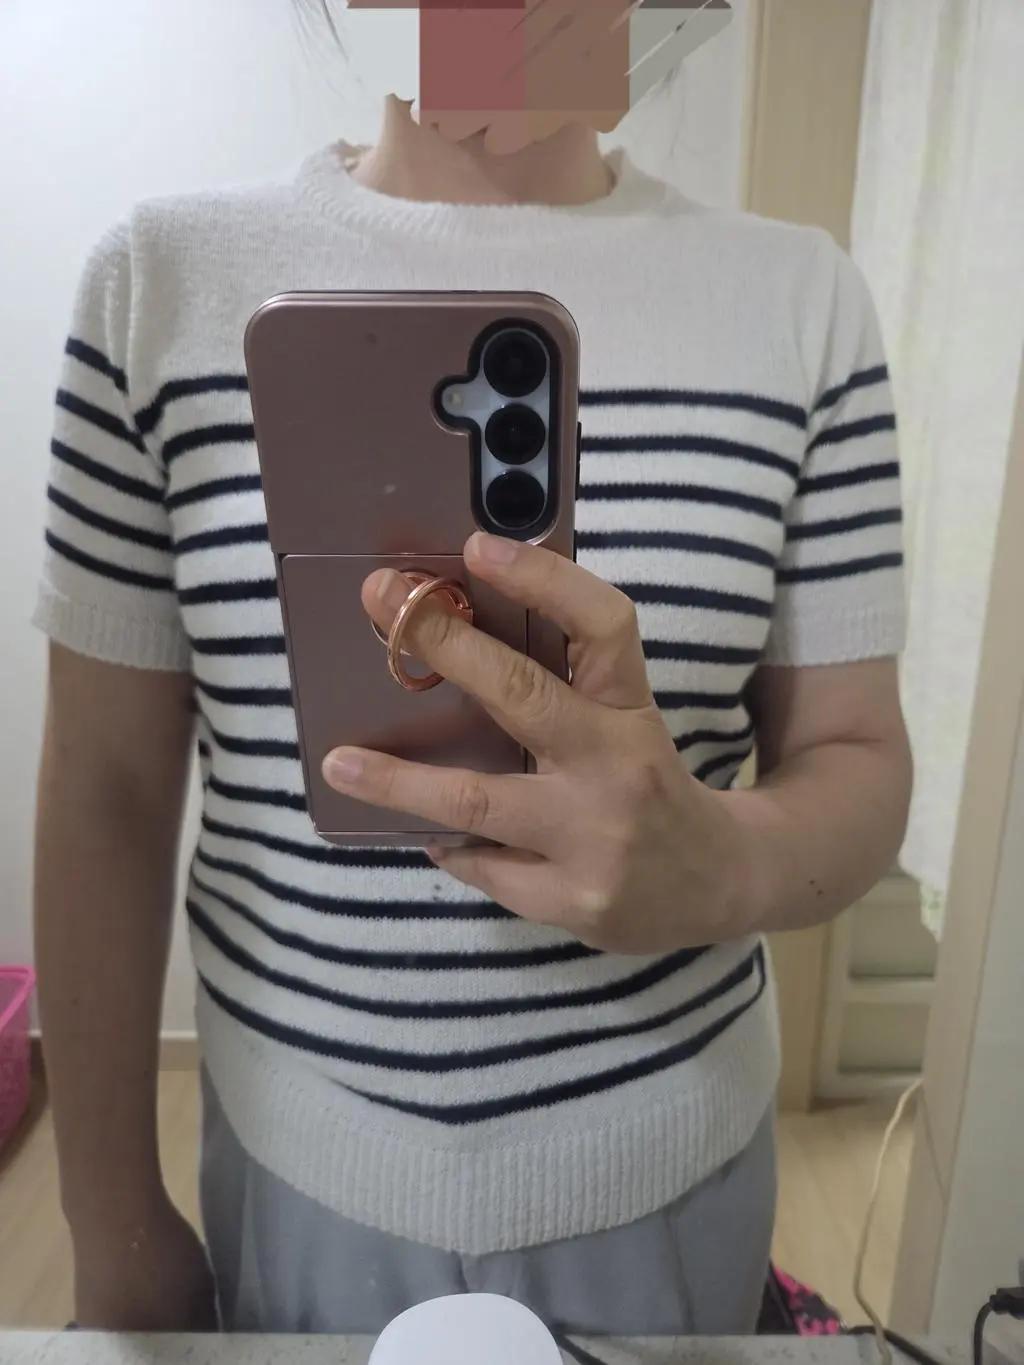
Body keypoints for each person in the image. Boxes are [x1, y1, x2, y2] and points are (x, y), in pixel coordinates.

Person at [32, 0, 912, 1338]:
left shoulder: (803, 303)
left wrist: (715, 863)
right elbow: (105, 787)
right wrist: (112, 1224)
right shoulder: (160, 283)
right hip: (296, 1168)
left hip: (672, 1174)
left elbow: (858, 756)